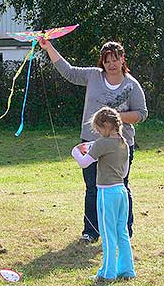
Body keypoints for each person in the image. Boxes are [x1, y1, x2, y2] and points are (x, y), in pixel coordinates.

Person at [40, 39, 148, 243]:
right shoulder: (93, 76)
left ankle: (124, 230)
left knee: (120, 186)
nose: (111, 65)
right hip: (91, 141)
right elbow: (69, 71)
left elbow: (142, 114)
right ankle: (91, 231)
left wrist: (116, 116)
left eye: (115, 60)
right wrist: (48, 47)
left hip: (119, 144)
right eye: (107, 61)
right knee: (92, 187)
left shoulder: (131, 85)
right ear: (102, 62)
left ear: (122, 59)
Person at [72, 106, 136, 281]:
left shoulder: (102, 143)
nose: (98, 133)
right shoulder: (124, 143)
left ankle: (107, 272)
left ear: (106, 126)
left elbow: (84, 162)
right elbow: (123, 173)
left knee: (107, 234)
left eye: (99, 130)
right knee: (121, 231)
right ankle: (127, 269)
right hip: (121, 192)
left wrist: (76, 151)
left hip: (107, 194)